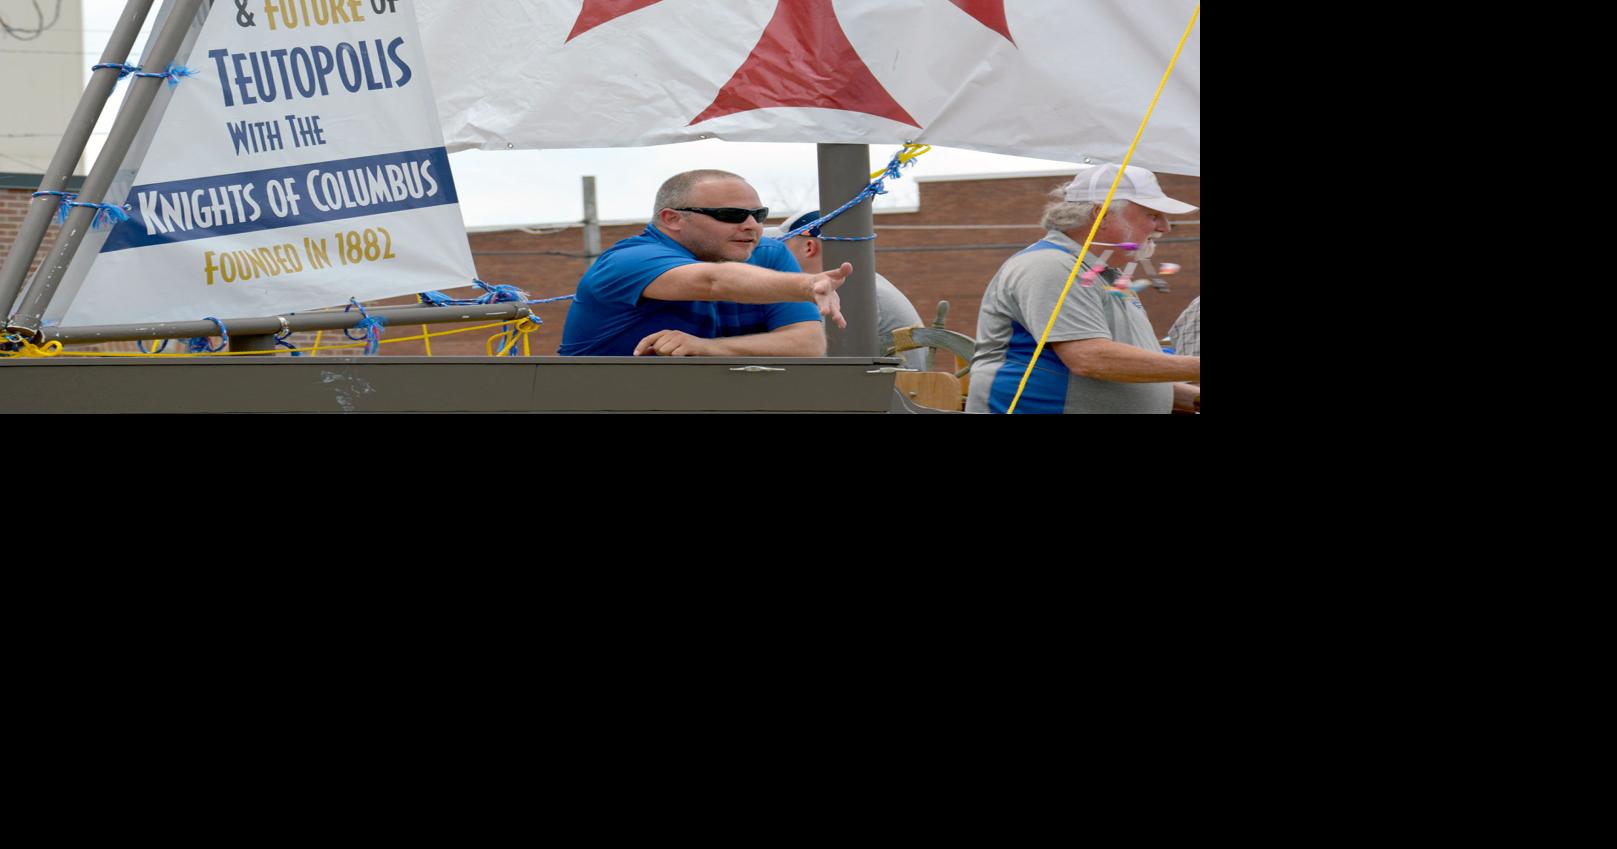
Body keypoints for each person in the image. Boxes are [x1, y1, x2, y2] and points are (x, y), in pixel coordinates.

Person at [965, 163, 1201, 414]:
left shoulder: (1099, 274)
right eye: (1152, 215)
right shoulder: (1051, 265)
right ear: (1101, 215)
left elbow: (1122, 375)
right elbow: (1089, 358)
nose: (1164, 226)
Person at [558, 170, 850, 357]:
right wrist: (807, 284)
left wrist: (709, 348)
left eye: (758, 215)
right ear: (672, 219)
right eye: (730, 214)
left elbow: (807, 346)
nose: (751, 226)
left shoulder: (768, 253)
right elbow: (712, 281)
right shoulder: (628, 261)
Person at [767, 208, 927, 371]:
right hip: (884, 391)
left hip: (881, 394)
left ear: (809, 247)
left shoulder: (849, 290)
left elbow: (804, 356)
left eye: (782, 247)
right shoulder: (862, 282)